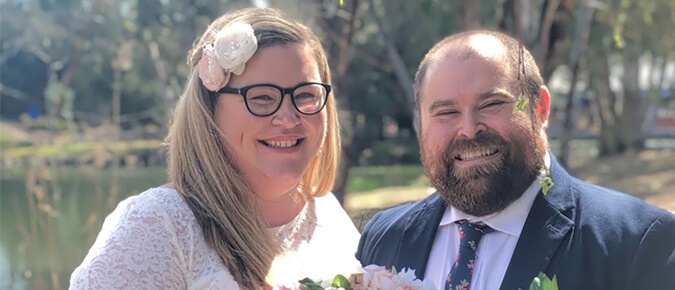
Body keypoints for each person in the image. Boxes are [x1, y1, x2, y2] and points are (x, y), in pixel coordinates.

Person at [356, 30, 675, 290]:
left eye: (492, 103)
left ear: (541, 109)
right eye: (446, 112)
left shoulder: (638, 243)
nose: (468, 129)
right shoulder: (384, 237)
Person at [70, 8, 361, 289]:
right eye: (261, 97)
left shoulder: (327, 214)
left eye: (306, 94)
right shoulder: (159, 226)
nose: (288, 118)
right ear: (210, 109)